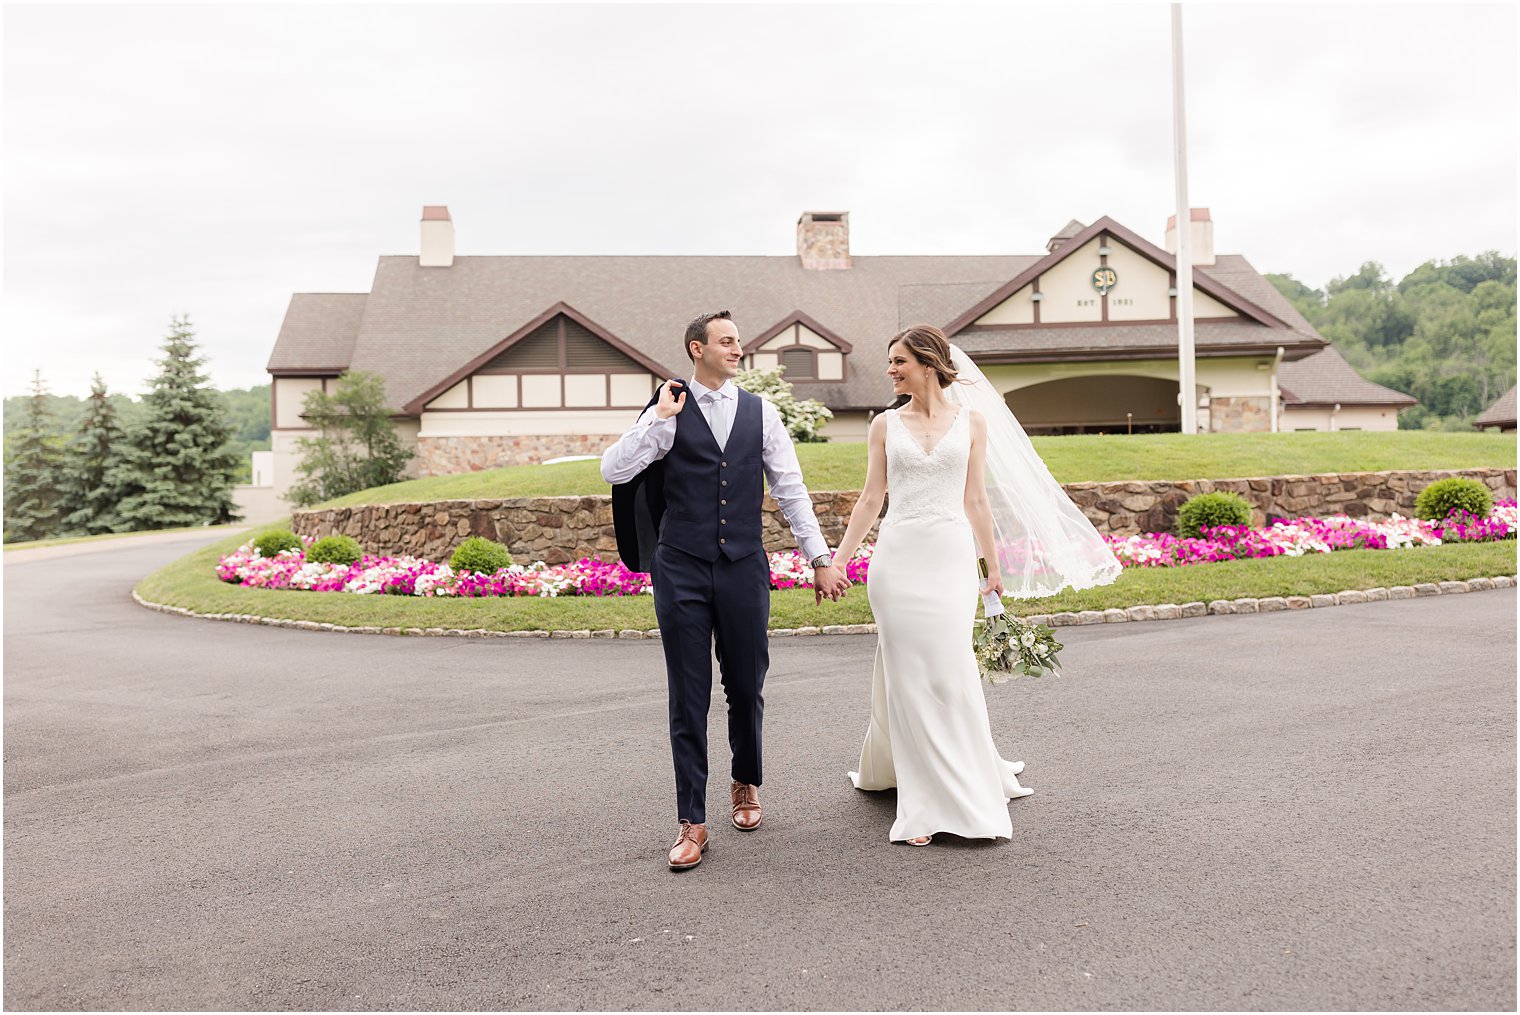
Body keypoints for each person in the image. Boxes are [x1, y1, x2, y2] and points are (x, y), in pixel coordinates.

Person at [828, 324, 1121, 845]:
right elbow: (872, 499)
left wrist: (990, 567)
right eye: (890, 362)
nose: (891, 370)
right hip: (896, 562)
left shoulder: (973, 423)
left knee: (949, 671)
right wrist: (839, 561)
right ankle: (923, 802)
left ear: (929, 364)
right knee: (909, 674)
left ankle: (961, 779)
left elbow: (977, 500)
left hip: (949, 558)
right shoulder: (883, 425)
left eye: (899, 361)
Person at [601, 310, 851, 870]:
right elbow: (613, 471)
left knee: (746, 682)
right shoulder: (665, 407)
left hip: (742, 566)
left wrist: (819, 558)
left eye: (739, 340)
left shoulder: (761, 413)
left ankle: (746, 782)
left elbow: (790, 488)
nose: (738, 348)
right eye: (727, 340)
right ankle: (691, 822)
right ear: (697, 348)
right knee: (687, 696)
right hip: (681, 567)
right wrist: (656, 421)